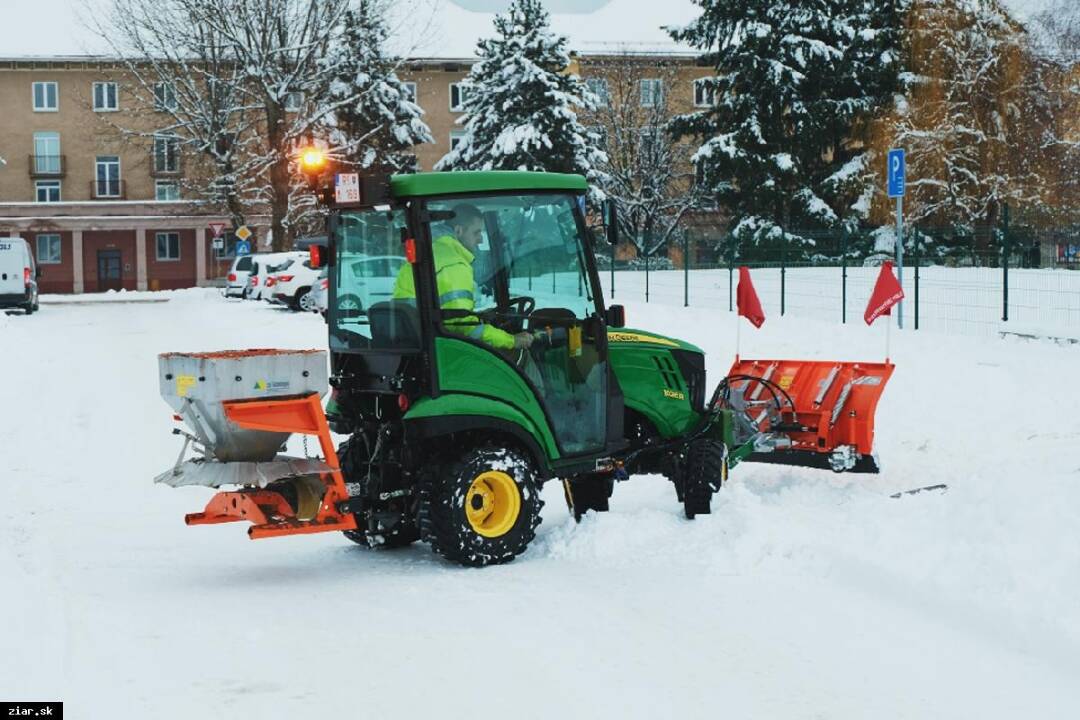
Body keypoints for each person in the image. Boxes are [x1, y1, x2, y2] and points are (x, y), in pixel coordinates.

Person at [392, 203, 534, 351]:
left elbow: (449, 314)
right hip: (445, 352)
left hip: (419, 345)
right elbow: (465, 328)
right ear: (459, 231)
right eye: (476, 233)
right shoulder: (454, 264)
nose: (480, 239)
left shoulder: (427, 255)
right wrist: (511, 340)